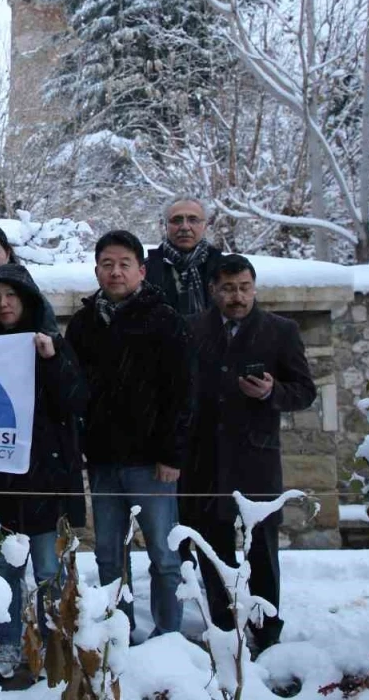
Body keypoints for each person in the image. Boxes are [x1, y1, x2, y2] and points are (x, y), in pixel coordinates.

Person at [67, 230, 193, 640]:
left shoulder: (165, 319)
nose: (115, 272)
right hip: (103, 459)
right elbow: (74, 389)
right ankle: (117, 634)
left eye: (124, 264)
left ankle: (169, 635)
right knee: (109, 556)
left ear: (141, 270)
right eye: (107, 264)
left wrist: (172, 453)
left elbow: (182, 392)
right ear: (97, 270)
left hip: (152, 461)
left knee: (164, 554)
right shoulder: (85, 323)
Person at [186, 255, 316, 651]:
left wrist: (272, 392)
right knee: (213, 549)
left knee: (262, 548)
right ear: (213, 290)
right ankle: (225, 629)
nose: (237, 296)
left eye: (244, 288)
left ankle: (267, 630)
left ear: (254, 288)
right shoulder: (192, 329)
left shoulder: (280, 330)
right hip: (204, 458)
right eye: (228, 289)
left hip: (255, 457)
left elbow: (305, 391)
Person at [0, 264, 88, 680]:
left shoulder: (53, 344)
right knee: (4, 568)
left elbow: (76, 401)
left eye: (11, 296)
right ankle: (8, 641)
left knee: (49, 569)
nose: (3, 304)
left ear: (28, 300)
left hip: (47, 478)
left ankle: (55, 641)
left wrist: (51, 360)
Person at [145, 197, 223, 317]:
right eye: (176, 220)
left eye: (193, 220)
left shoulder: (223, 267)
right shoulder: (145, 270)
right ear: (165, 225)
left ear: (205, 226)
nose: (185, 227)